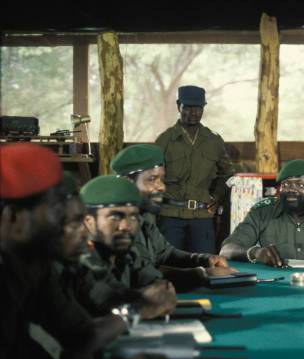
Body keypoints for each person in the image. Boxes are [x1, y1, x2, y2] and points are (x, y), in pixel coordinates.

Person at [0, 143, 175, 359]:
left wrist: (135, 310)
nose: (82, 231)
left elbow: (79, 335)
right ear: (14, 219)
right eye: (62, 218)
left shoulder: (35, 268)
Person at [111, 144, 236, 289]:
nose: (162, 187)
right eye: (152, 179)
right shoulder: (115, 225)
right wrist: (201, 274)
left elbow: (167, 254)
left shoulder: (143, 218)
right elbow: (141, 275)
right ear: (128, 182)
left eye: (162, 179)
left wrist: (205, 260)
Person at [79, 175, 177, 317]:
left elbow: (153, 280)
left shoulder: (126, 255)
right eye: (115, 217)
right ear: (89, 222)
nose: (126, 226)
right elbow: (103, 299)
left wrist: (162, 289)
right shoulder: (81, 259)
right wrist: (140, 304)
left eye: (132, 217)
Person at [155, 85, 235, 254]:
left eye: (198, 108)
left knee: (207, 268)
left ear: (203, 109)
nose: (193, 113)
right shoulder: (165, 140)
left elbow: (228, 173)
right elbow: (152, 175)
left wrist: (218, 196)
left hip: (202, 217)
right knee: (170, 267)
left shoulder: (213, 140)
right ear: (178, 106)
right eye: (187, 108)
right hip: (171, 216)